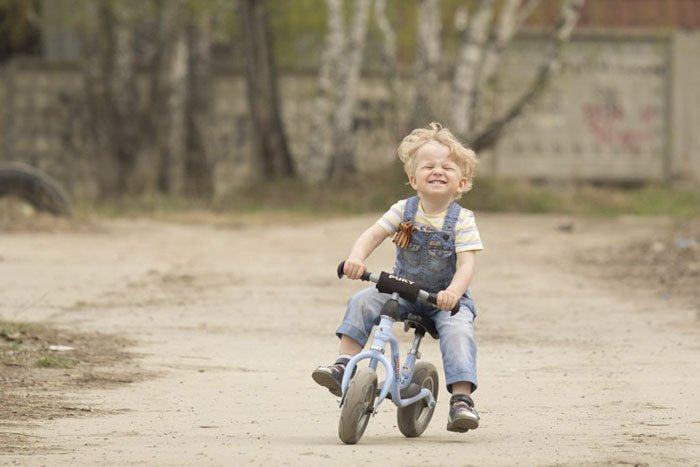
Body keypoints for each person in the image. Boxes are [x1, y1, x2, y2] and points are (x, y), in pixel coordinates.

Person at [312, 122, 484, 433]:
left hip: (445, 300)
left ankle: (461, 400)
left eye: (447, 167)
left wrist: (454, 294)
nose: (437, 171)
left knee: (459, 332)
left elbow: (466, 266)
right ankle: (343, 367)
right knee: (363, 301)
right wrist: (356, 258)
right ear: (413, 179)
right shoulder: (403, 209)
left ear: (461, 183)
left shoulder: (463, 221)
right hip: (402, 290)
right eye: (428, 166)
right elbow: (374, 234)